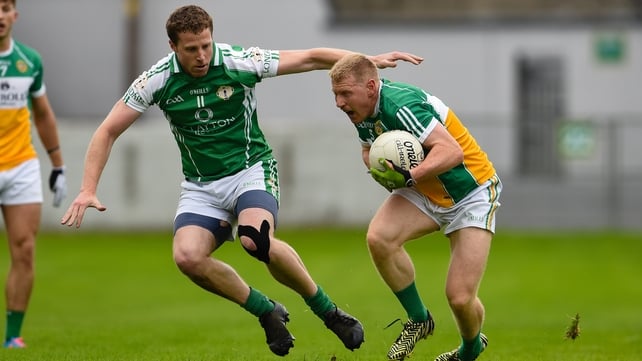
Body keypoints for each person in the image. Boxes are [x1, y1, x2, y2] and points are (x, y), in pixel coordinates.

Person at [60, 5, 423, 357]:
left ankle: (328, 311)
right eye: (192, 49)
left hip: (252, 169)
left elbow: (311, 57)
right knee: (187, 258)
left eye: (206, 45)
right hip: (201, 186)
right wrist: (88, 189)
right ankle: (266, 311)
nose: (202, 55)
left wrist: (364, 61)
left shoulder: (238, 61)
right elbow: (107, 130)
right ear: (173, 47)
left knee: (255, 240)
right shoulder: (157, 79)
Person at [328, 53, 502, 361]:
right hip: (424, 189)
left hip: (471, 192)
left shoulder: (400, 106)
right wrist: (378, 167)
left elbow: (452, 152)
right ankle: (419, 320)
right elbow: (369, 148)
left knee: (460, 298)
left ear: (370, 87)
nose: (339, 103)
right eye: (336, 95)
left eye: (345, 94)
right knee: (379, 238)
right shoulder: (362, 111)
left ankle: (470, 349)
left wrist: (409, 176)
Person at [0, 0, 67, 349]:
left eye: (5, 7)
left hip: (20, 165)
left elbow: (42, 114)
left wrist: (58, 165)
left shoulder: (29, 61)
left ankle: (13, 336)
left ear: (15, 15)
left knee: (24, 250)